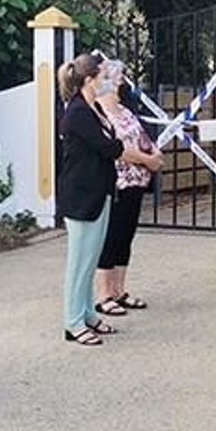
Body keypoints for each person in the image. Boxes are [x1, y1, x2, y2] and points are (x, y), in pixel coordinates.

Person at [58, 55, 154, 345]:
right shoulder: (77, 112)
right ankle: (73, 321)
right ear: (89, 80)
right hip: (81, 197)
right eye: (102, 76)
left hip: (99, 193)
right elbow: (108, 147)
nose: (108, 81)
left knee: (89, 261)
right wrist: (136, 154)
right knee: (79, 264)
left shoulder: (92, 109)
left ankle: (88, 314)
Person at [94, 61, 164, 317]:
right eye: (118, 76)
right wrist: (147, 160)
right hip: (116, 182)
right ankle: (103, 294)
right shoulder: (99, 113)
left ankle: (119, 290)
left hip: (136, 181)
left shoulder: (124, 109)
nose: (122, 81)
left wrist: (154, 152)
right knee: (110, 237)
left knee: (126, 236)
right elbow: (115, 149)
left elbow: (142, 136)